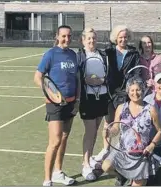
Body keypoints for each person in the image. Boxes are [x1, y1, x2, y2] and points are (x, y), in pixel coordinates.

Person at [33, 25, 80, 186]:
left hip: (71, 102)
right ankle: (47, 180)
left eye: (69, 36)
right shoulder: (51, 54)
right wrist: (51, 95)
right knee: (55, 141)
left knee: (64, 138)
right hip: (55, 105)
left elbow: (77, 79)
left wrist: (77, 101)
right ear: (57, 36)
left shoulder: (73, 55)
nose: (67, 39)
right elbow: (38, 77)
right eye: (64, 36)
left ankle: (58, 172)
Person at [101, 77, 161, 186]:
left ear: (143, 90)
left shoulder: (151, 109)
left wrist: (152, 145)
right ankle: (122, 176)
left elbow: (160, 131)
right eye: (132, 90)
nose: (135, 93)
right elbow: (115, 128)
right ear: (128, 91)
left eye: (138, 90)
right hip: (123, 150)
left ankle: (142, 176)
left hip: (141, 153)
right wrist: (108, 132)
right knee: (105, 166)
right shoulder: (121, 108)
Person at [93, 25, 141, 163]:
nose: (123, 39)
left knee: (126, 124)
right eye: (120, 37)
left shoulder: (134, 53)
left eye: (125, 37)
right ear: (116, 38)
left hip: (126, 95)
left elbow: (136, 74)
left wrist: (130, 87)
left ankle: (125, 149)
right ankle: (106, 149)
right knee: (108, 123)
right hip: (110, 93)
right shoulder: (108, 52)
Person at [76, 27, 110, 181]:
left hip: (102, 98)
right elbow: (78, 77)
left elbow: (108, 75)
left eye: (93, 38)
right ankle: (85, 165)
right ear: (83, 40)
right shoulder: (80, 56)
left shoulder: (102, 55)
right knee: (90, 132)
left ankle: (89, 159)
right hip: (87, 99)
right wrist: (86, 80)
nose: (91, 41)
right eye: (88, 38)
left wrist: (101, 81)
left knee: (95, 130)